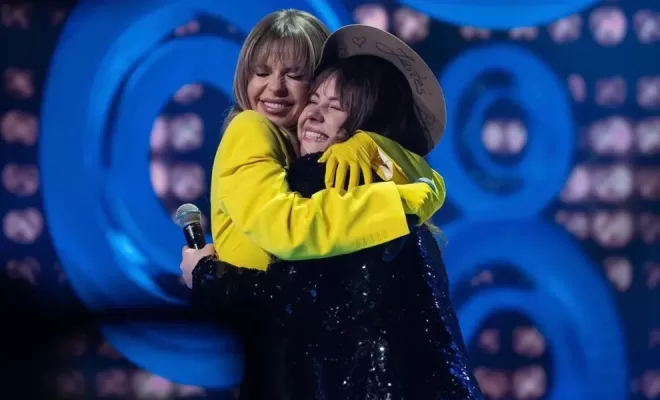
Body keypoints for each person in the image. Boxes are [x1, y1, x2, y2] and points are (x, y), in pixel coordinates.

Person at [184, 24, 482, 400]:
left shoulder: (333, 181)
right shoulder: (387, 188)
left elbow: (291, 294)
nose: (276, 89)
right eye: (261, 72)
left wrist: (206, 274)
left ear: (363, 124)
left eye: (295, 76)